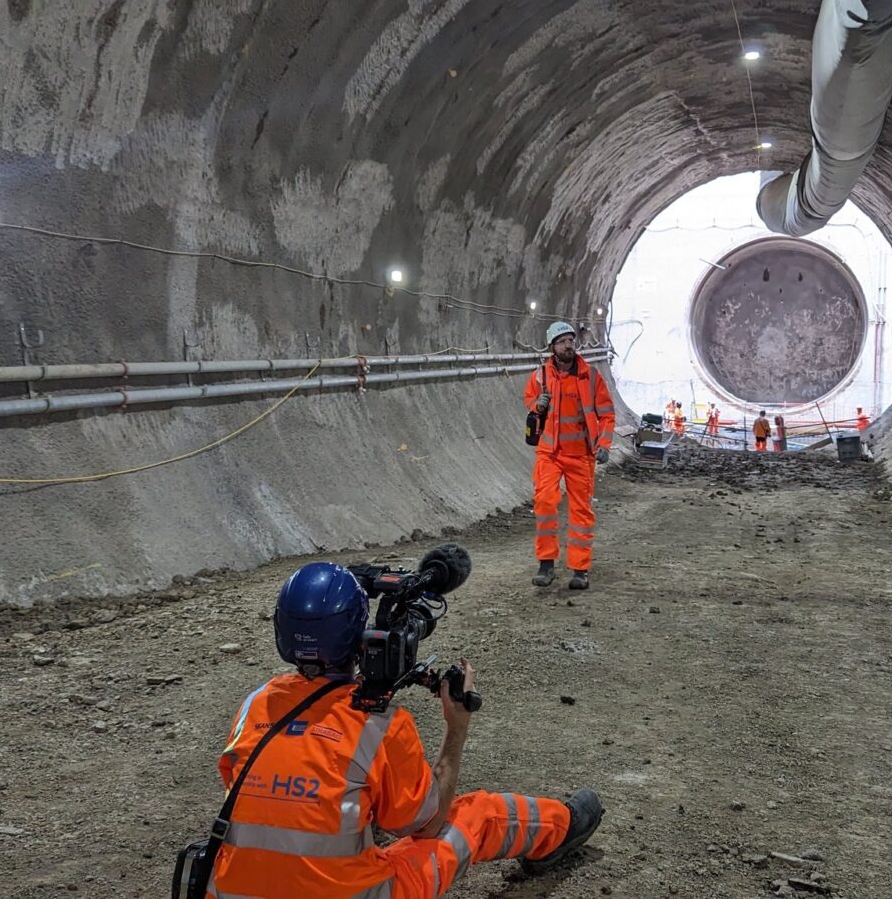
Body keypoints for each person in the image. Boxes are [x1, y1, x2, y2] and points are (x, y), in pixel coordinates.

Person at [207, 564, 605, 898]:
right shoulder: (377, 724)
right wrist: (456, 730)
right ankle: (561, 829)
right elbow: (425, 824)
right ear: (359, 638)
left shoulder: (253, 704)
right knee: (477, 815)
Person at [525, 321, 616, 590]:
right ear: (552, 347)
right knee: (544, 503)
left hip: (580, 456)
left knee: (581, 512)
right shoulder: (541, 375)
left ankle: (580, 570)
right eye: (562, 341)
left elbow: (607, 414)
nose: (568, 345)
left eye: (571, 341)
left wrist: (604, 444)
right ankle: (546, 564)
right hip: (549, 454)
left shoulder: (590, 376)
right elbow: (528, 399)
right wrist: (535, 404)